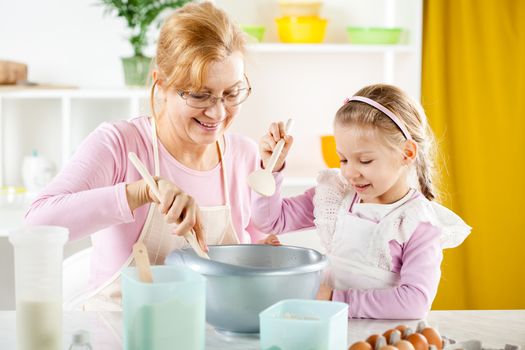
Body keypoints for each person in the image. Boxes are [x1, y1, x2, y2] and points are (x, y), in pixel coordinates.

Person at [25, 1, 279, 310]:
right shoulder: (120, 144)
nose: (218, 112)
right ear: (162, 85)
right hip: (119, 335)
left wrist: (266, 255)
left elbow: (251, 258)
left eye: (232, 93)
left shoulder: (244, 156)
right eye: (200, 95)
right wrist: (141, 192)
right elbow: (37, 223)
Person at [252, 83, 472, 319]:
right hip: (329, 330)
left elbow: (415, 302)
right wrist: (270, 169)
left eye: (365, 161)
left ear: (406, 154)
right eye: (343, 159)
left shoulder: (417, 222)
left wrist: (335, 300)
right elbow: (269, 221)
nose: (350, 173)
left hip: (380, 339)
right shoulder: (336, 193)